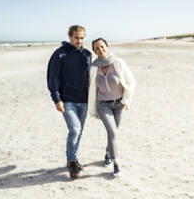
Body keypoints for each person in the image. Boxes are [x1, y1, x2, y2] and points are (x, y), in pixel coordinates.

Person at [47, 25, 91, 179]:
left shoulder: (87, 54)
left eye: (82, 37)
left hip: (84, 100)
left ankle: (72, 158)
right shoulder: (60, 54)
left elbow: (91, 77)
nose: (79, 40)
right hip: (67, 99)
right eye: (76, 37)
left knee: (79, 132)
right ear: (70, 37)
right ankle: (72, 162)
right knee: (75, 130)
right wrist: (57, 99)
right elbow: (53, 77)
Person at [87, 38, 135, 177]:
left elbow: (131, 81)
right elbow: (91, 88)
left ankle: (108, 153)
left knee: (112, 133)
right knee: (112, 132)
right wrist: (94, 106)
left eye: (102, 46)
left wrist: (125, 100)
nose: (100, 50)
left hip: (118, 104)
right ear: (94, 51)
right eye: (96, 48)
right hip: (103, 105)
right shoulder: (94, 67)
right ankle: (116, 163)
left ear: (107, 47)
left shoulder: (118, 63)